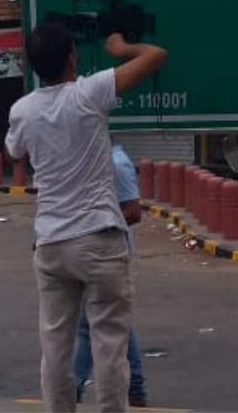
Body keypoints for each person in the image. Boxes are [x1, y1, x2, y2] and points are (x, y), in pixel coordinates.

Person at [5, 24, 167, 412]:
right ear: (72, 58)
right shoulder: (88, 93)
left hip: (51, 244)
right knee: (109, 344)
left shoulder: (22, 110)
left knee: (55, 346)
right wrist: (122, 46)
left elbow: (14, 152)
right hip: (98, 238)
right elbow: (156, 56)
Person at [74, 144, 148, 407]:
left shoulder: (117, 163)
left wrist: (95, 228)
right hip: (91, 253)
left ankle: (74, 387)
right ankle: (137, 389)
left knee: (89, 325)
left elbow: (134, 212)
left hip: (113, 253)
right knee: (115, 323)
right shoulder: (89, 162)